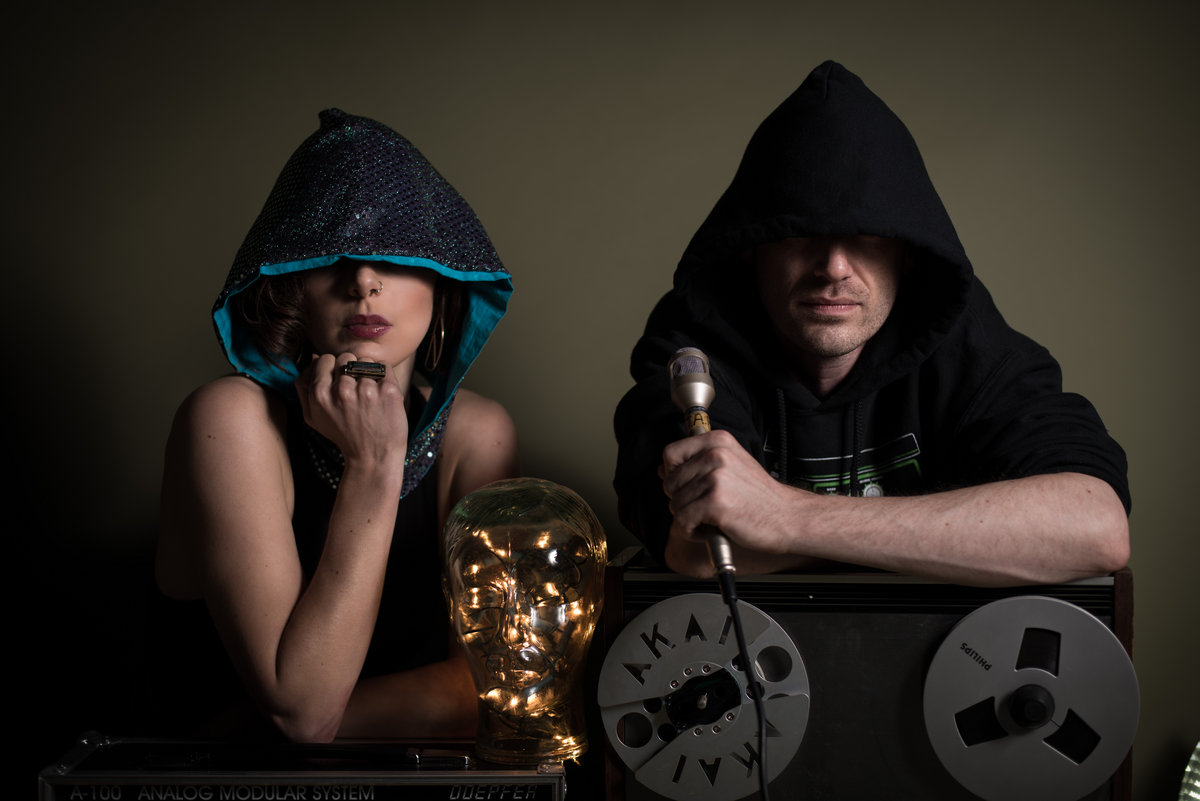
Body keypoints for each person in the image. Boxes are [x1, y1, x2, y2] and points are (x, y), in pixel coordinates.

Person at [613, 61, 1130, 588]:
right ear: (753, 246)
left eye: (868, 236)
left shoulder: (962, 337)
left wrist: (785, 516)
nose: (834, 268)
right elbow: (700, 549)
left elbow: (1095, 526)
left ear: (907, 252)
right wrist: (958, 541)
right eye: (802, 233)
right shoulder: (692, 353)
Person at [153, 109, 518, 742]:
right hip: (225, 784)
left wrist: (254, 728)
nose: (364, 281)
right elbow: (302, 708)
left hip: (402, 778)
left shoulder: (477, 435)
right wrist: (373, 465)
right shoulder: (228, 421)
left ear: (441, 281)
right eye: (333, 256)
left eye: (395, 255)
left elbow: (494, 688)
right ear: (292, 284)